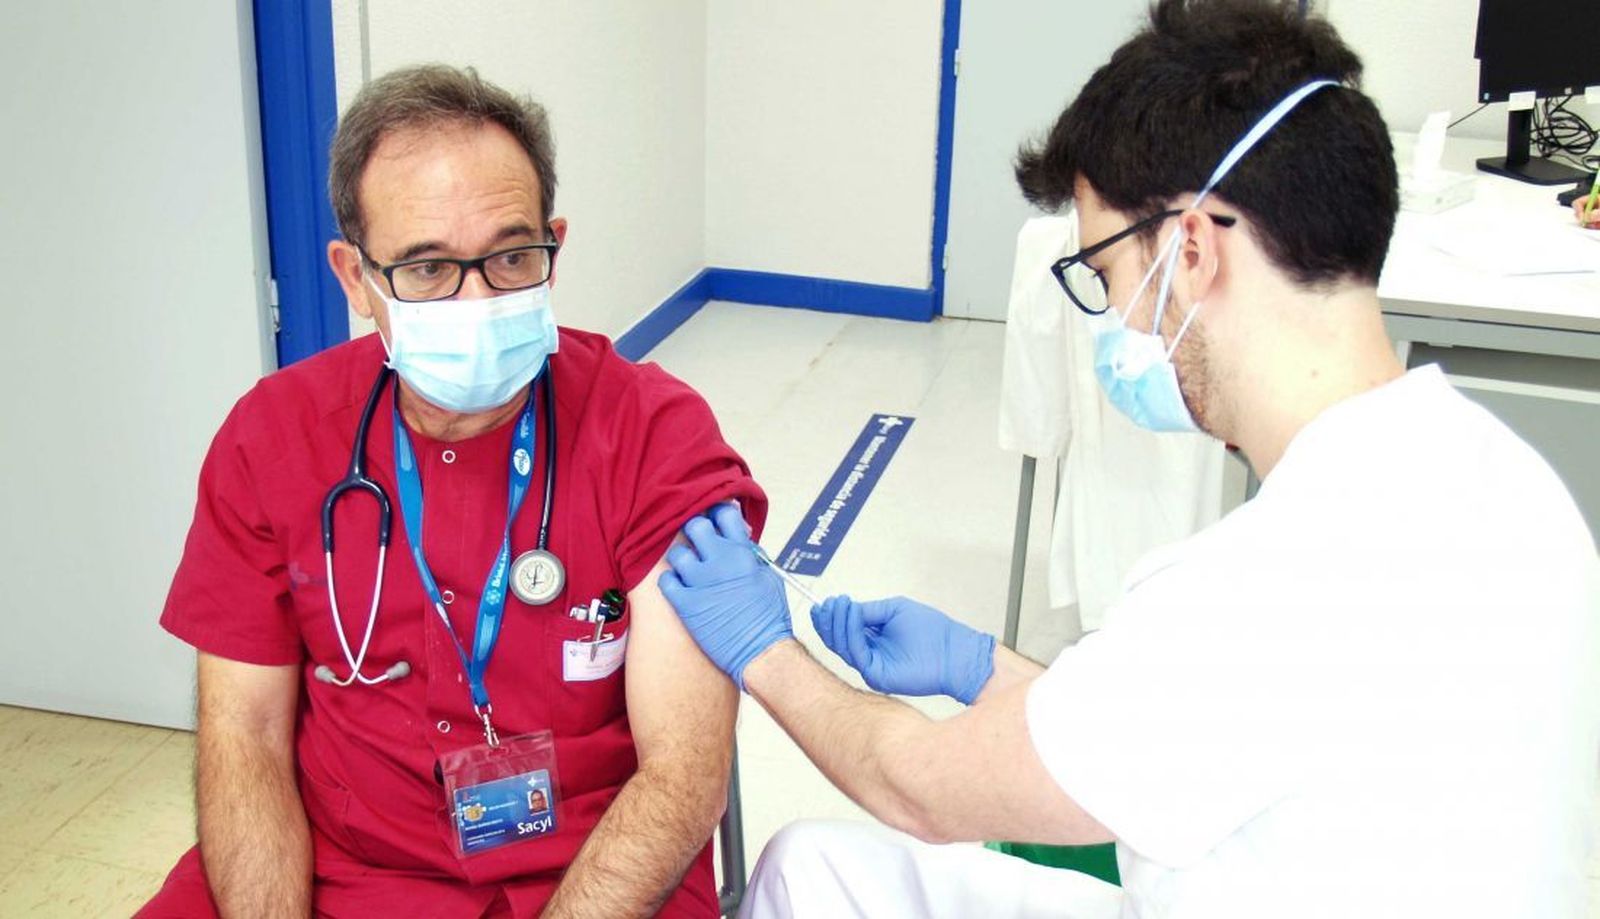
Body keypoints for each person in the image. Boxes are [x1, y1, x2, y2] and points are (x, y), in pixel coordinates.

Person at [659, 2, 1600, 917]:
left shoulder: (1254, 587)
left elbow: (924, 791)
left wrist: (765, 651)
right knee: (810, 867)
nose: (1118, 324)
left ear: (1192, 248)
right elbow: (1199, 726)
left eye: (1107, 275)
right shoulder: (1504, 479)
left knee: (808, 875)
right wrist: (983, 666)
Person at [140, 65, 765, 918]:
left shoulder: (654, 434)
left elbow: (685, 773)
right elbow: (243, 734)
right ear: (356, 279)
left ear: (555, 248)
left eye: (512, 257)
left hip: (598, 873)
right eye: (427, 268)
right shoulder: (273, 437)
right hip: (338, 868)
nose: (477, 298)